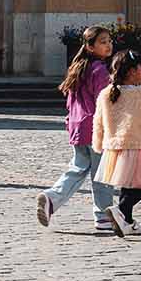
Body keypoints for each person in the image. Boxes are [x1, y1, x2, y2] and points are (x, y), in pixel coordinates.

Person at [36, 24, 116, 235]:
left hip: (78, 127)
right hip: (96, 129)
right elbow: (105, 101)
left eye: (109, 41)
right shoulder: (100, 70)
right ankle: (103, 216)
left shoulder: (78, 68)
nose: (108, 45)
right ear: (90, 47)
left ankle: (52, 198)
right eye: (103, 42)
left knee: (78, 168)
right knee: (102, 175)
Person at [93, 49, 141, 237]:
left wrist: (99, 144)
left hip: (113, 148)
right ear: (132, 71)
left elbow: (98, 122)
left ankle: (127, 222)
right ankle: (120, 210)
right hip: (137, 145)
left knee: (128, 185)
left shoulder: (106, 93)